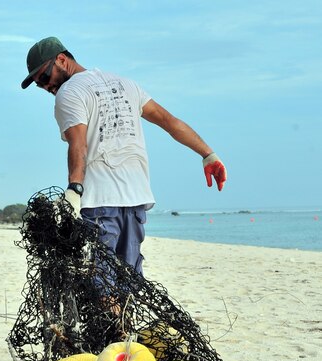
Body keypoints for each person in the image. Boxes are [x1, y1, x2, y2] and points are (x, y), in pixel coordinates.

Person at [21, 37, 226, 274]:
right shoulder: (126, 84)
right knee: (127, 280)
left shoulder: (68, 92)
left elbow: (78, 144)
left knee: (100, 283)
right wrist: (208, 155)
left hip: (99, 202)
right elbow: (169, 122)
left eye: (45, 78)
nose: (46, 87)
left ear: (62, 60)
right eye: (40, 85)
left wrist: (74, 190)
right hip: (136, 200)